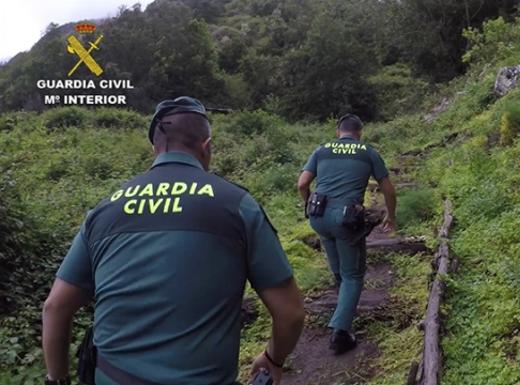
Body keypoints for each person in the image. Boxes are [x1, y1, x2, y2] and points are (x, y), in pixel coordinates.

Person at [42, 96, 304, 385]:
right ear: (207, 146)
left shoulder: (104, 210)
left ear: (154, 148)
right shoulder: (237, 204)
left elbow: (55, 307)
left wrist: (57, 379)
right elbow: (290, 313)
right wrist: (272, 358)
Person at [297, 114, 397, 354]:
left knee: (338, 268)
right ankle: (341, 332)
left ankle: (343, 306)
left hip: (318, 216)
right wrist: (390, 217)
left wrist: (308, 204)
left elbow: (302, 184)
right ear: (359, 132)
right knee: (353, 274)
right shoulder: (368, 152)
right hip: (346, 219)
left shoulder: (321, 150)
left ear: (338, 131)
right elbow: (389, 190)